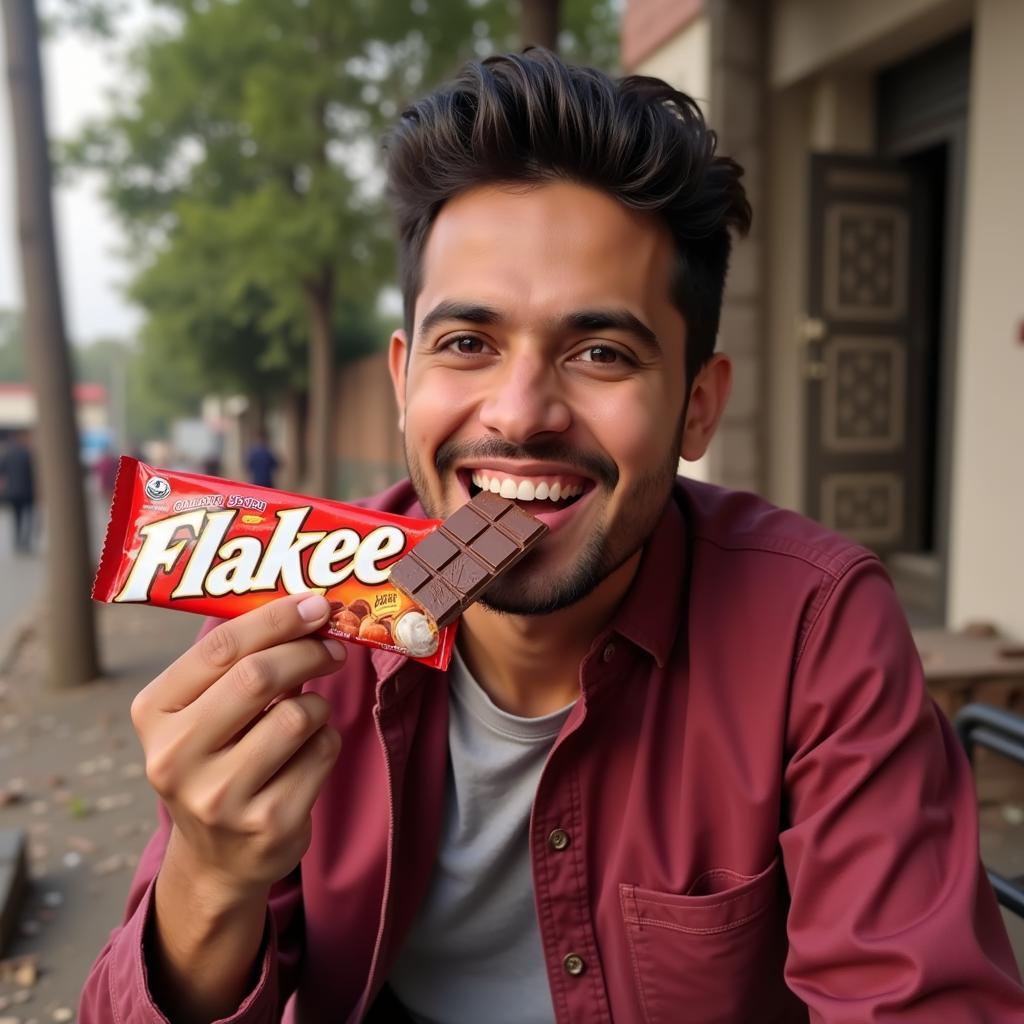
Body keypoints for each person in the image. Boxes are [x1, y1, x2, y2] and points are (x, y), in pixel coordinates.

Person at [79, 50, 1024, 1023]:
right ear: (405, 377)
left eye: (600, 351)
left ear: (697, 407)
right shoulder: (283, 624)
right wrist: (209, 871)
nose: (522, 414)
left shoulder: (813, 632)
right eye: (467, 343)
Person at [0, 431, 36, 554]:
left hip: (13, 491)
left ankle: (17, 541)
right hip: (27, 491)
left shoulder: (7, 454)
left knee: (16, 518)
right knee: (29, 517)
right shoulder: (27, 454)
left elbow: (2, 473)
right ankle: (25, 542)